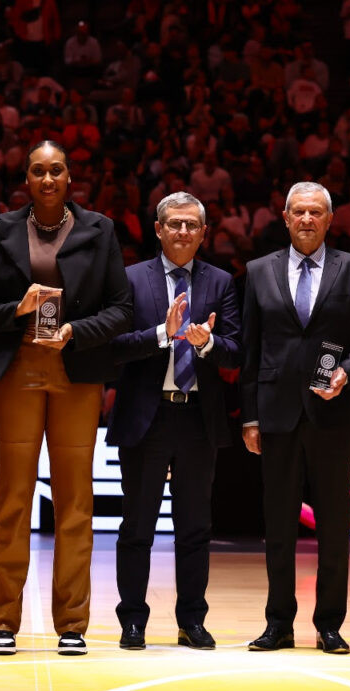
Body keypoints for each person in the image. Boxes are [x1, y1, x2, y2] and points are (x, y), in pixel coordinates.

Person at [0, 140, 132, 655]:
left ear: (69, 177)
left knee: (76, 501)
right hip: (16, 372)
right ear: (27, 181)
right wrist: (17, 309)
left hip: (77, 374)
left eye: (57, 169)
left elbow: (122, 310)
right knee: (11, 498)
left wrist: (76, 331)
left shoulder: (99, 230)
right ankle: (3, 622)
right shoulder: (3, 230)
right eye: (38, 171)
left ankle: (73, 624)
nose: (48, 178)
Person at [240, 181, 350, 655]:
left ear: (329, 220)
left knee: (332, 527)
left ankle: (329, 625)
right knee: (278, 524)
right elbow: (251, 350)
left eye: (315, 213)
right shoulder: (258, 271)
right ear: (284, 218)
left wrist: (348, 370)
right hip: (277, 414)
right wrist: (249, 416)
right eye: (298, 212)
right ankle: (278, 622)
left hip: (333, 414)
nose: (306, 219)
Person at [106, 192, 240, 651]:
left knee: (195, 526)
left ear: (204, 233)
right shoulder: (129, 279)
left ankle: (192, 621)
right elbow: (114, 346)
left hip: (198, 417)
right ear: (158, 230)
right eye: (174, 223)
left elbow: (237, 351)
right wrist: (162, 334)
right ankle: (132, 621)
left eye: (192, 225)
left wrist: (206, 344)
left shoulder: (221, 282)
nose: (183, 231)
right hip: (147, 414)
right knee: (137, 525)